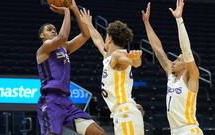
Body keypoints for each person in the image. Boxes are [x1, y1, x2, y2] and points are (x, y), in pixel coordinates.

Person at [36, 1, 106, 135]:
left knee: (98, 133)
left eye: (54, 29)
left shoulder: (65, 48)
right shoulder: (43, 49)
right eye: (49, 29)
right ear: (42, 36)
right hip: (50, 101)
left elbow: (85, 35)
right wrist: (66, 12)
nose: (53, 30)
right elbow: (63, 36)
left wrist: (74, 8)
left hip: (66, 102)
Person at [142, 0, 203, 134]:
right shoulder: (171, 74)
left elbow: (186, 50)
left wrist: (179, 20)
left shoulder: (191, 76)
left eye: (179, 59)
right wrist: (146, 23)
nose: (174, 61)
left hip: (189, 130)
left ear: (187, 64)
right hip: (175, 131)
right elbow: (158, 49)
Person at [80, 9, 144, 135]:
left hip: (126, 114)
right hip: (122, 114)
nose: (103, 39)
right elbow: (97, 39)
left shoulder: (117, 55)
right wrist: (88, 24)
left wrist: (135, 60)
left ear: (109, 38)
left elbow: (133, 63)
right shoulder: (108, 57)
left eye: (106, 37)